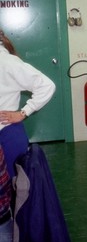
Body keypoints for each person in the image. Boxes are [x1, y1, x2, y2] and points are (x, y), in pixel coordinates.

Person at [0, 30, 56, 179]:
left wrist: (23, 112)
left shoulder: (8, 62)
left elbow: (46, 86)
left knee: (15, 190)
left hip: (6, 134)